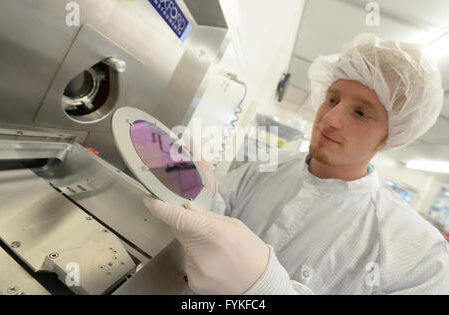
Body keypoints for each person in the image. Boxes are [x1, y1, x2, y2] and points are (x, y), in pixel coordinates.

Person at [144, 33, 449, 295]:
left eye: (360, 113)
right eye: (332, 99)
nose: (330, 119)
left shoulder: (419, 254)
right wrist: (201, 191)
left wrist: (264, 288)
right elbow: (216, 213)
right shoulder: (269, 165)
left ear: (392, 135)